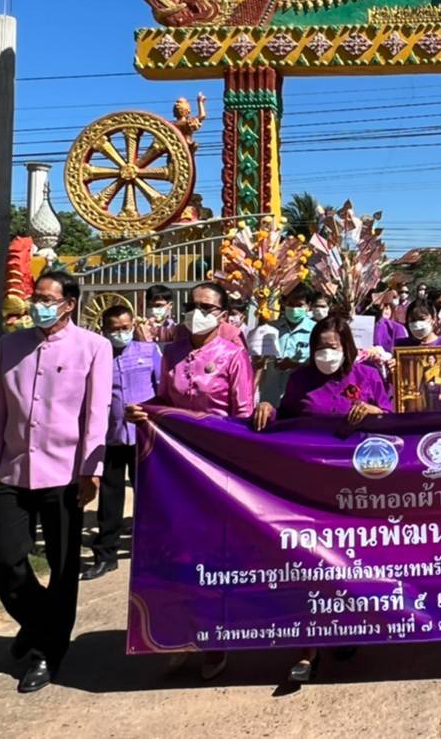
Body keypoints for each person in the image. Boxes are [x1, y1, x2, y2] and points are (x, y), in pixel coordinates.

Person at [0, 272, 111, 694]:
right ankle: (39, 624)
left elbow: (97, 413)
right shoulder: (9, 345)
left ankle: (48, 653)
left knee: (63, 567)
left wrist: (93, 470)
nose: (39, 304)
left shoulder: (94, 347)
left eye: (48, 298)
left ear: (69, 303)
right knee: (3, 558)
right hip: (16, 470)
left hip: (67, 472)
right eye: (37, 297)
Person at [127, 281, 255, 681]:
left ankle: (217, 640)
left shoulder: (234, 356)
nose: (198, 311)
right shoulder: (171, 355)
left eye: (207, 306)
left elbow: (244, 415)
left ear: (222, 314)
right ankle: (180, 633)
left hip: (219, 469)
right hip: (177, 469)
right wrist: (142, 413)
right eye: (193, 304)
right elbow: (162, 402)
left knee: (216, 554)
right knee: (178, 552)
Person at [261, 317, 392, 684]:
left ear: (347, 346)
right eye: (320, 347)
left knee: (354, 563)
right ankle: (308, 649)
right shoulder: (301, 379)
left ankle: (351, 628)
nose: (326, 354)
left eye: (333, 346)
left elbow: (395, 420)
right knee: (312, 563)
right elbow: (283, 421)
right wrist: (268, 411)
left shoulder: (367, 377)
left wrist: (374, 412)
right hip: (311, 487)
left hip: (359, 487)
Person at [83, 305, 162, 582]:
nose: (121, 333)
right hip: (111, 438)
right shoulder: (96, 357)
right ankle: (106, 555)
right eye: (114, 328)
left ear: (133, 325)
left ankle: (155, 553)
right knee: (109, 500)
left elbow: (162, 389)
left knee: (150, 498)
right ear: (104, 330)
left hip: (144, 439)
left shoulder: (148, 352)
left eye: (125, 327)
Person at [261, 284, 316, 406]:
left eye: (299, 305)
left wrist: (296, 364)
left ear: (308, 306)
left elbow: (318, 364)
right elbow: (259, 360)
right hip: (270, 396)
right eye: (290, 304)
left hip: (300, 396)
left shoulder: (316, 331)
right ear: (284, 304)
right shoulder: (271, 328)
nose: (294, 309)